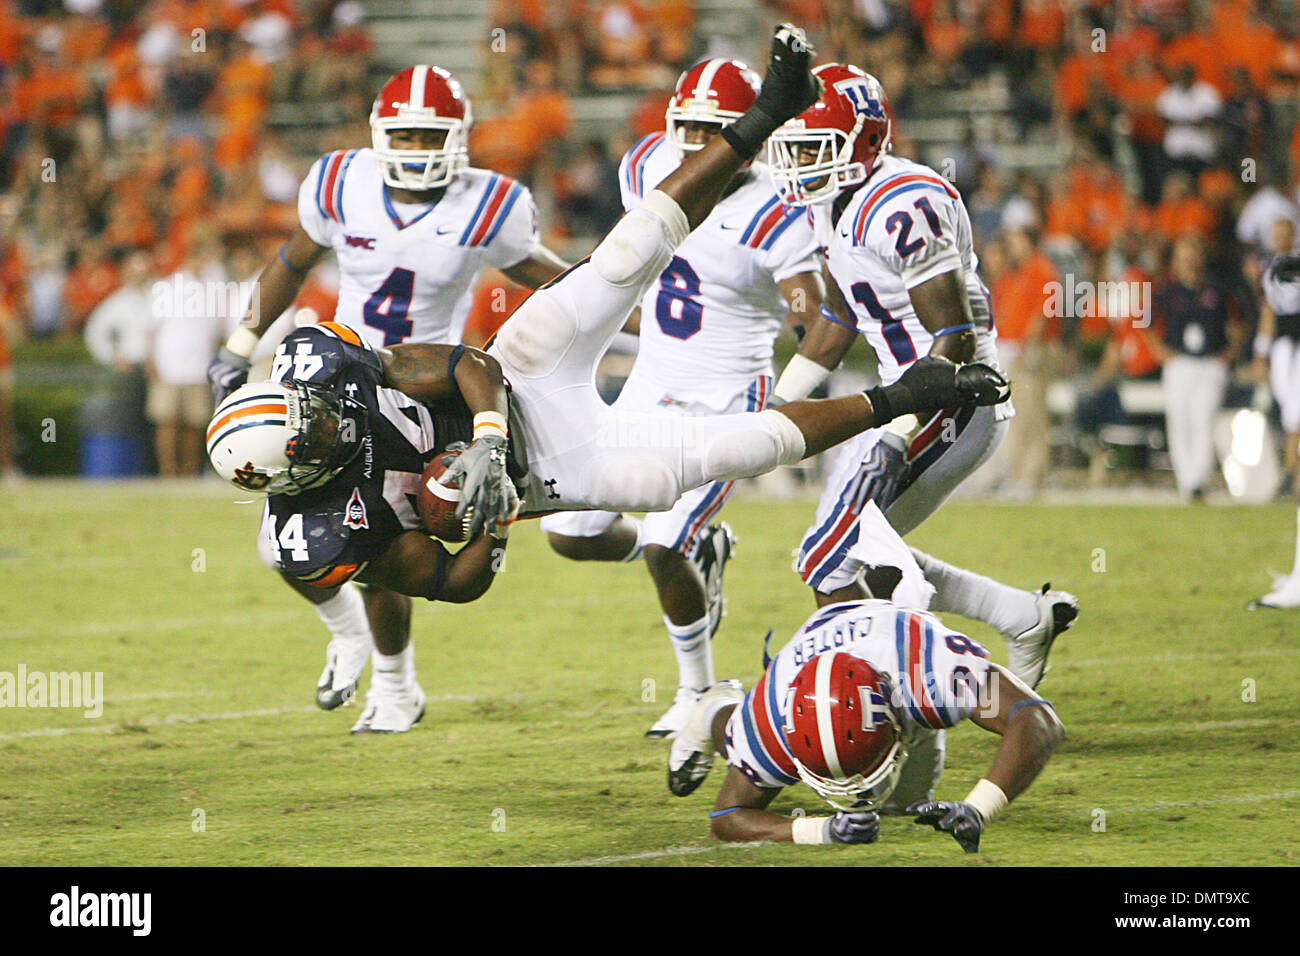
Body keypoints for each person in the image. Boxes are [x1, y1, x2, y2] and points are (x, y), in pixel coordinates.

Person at [206, 24, 1011, 734]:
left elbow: (464, 363)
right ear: (295, 475)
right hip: (549, 475)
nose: (322, 420)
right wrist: (490, 517)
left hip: (518, 375)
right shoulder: (316, 532)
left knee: (626, 254)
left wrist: (485, 437)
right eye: (311, 435)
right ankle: (902, 396)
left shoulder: (329, 364)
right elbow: (451, 583)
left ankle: (768, 109)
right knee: (731, 451)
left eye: (306, 411)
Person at [205, 65, 570, 714]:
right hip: (336, 374)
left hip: (427, 379)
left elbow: (548, 277)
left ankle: (396, 687)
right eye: (404, 137)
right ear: (379, 135)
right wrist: (240, 344)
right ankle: (349, 637)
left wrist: (627, 310)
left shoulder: (489, 201)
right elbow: (291, 262)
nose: (416, 151)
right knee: (284, 545)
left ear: (458, 138)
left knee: (382, 535)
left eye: (431, 137)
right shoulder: (340, 181)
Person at [540, 57, 829, 738]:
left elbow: (810, 309)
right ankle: (703, 551)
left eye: (714, 130)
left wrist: (805, 327)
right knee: (567, 534)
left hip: (725, 399)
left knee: (665, 543)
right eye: (689, 128)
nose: (698, 144)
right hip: (648, 385)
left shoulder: (776, 209)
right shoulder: (645, 164)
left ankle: (699, 689)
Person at [764, 63, 1076, 690]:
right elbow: (839, 314)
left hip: (951, 398)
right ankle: (1019, 617)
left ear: (866, 142)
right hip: (903, 395)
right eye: (792, 147)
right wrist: (774, 412)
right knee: (853, 555)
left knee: (827, 558)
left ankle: (902, 695)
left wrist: (896, 431)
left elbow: (952, 341)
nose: (797, 162)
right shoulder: (834, 202)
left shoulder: (904, 203)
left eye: (811, 148)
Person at [665, 577, 1064, 851]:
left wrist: (979, 807)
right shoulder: (770, 721)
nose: (854, 793)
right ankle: (715, 706)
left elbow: (1036, 719)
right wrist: (819, 830)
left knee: (903, 804)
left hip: (887, 624)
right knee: (736, 737)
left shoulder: (924, 674)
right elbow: (725, 815)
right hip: (807, 656)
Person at [1151, 235, 1247, 500]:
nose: (1189, 262)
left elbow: (1239, 321)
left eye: (1192, 255)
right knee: (1179, 420)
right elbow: (1143, 321)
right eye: (1183, 256)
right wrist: (1158, 350)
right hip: (1179, 362)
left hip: (1209, 362)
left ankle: (1197, 481)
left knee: (1204, 420)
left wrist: (1231, 351)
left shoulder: (1217, 289)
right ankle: (1186, 480)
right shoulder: (1166, 291)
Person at [1251, 218, 1300, 497]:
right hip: (1283, 344)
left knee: (1296, 409)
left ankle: (1290, 468)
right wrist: (1262, 352)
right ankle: (1291, 468)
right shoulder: (1269, 267)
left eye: (1285, 232)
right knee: (1287, 405)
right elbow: (1268, 311)